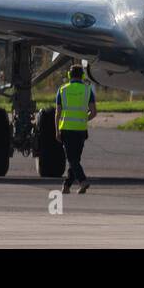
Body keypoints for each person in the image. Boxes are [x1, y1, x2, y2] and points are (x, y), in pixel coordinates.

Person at [55, 64, 97, 193]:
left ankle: (82, 181)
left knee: (72, 159)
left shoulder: (62, 90)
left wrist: (56, 130)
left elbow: (58, 113)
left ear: (69, 75)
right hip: (81, 130)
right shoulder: (87, 90)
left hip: (66, 129)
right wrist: (84, 119)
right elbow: (93, 112)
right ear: (83, 76)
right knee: (75, 159)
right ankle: (66, 186)